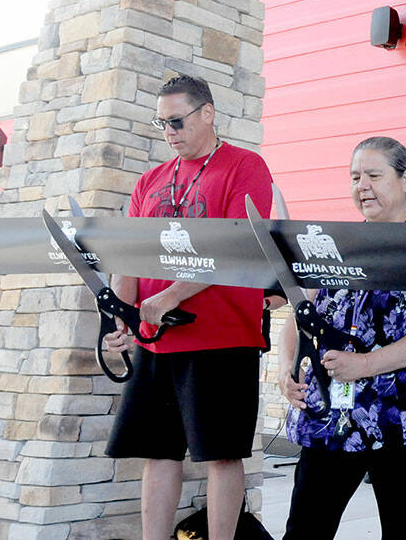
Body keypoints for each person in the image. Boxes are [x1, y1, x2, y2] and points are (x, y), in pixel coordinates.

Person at [103, 74, 274, 540]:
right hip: (157, 341)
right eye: (162, 123)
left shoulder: (245, 167)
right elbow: (131, 256)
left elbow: (237, 248)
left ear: (207, 113)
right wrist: (120, 314)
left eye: (176, 121)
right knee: (158, 453)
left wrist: (169, 296)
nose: (169, 132)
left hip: (223, 336)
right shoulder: (150, 180)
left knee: (221, 455)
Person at [278, 136, 406, 540]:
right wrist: (285, 367)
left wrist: (364, 365)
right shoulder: (335, 242)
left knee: (404, 530)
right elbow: (301, 313)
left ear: (405, 179)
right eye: (354, 177)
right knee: (305, 528)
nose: (361, 185)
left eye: (373, 175)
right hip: (332, 414)